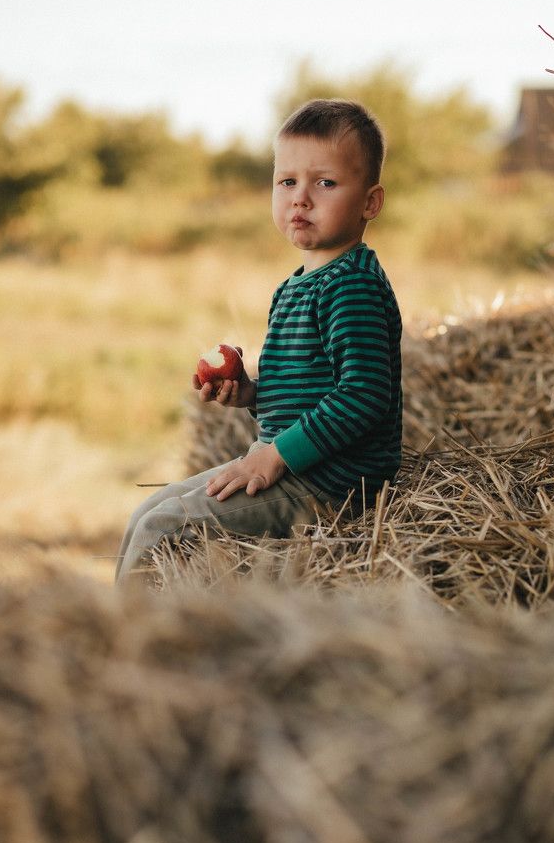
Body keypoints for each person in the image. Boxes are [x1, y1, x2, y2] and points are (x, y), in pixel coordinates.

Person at [115, 98, 402, 588]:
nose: (301, 198)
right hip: (296, 465)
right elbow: (302, 390)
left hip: (333, 485)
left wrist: (273, 455)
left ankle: (136, 648)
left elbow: (365, 395)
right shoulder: (293, 287)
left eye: (325, 183)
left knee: (163, 528)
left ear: (370, 202)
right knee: (149, 509)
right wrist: (249, 394)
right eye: (287, 181)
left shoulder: (351, 285)